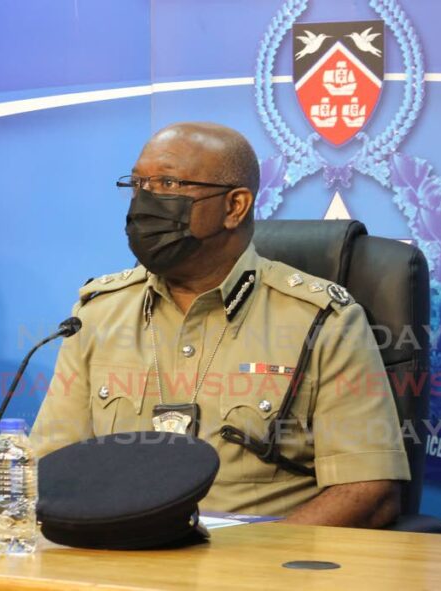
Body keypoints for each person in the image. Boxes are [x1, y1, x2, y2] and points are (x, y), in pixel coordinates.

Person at [30, 122, 409, 527]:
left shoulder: (321, 320)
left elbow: (368, 491)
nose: (145, 202)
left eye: (168, 184)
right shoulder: (97, 314)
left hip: (261, 570)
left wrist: (248, 567)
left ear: (235, 207)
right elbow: (49, 470)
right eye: (138, 184)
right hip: (117, 562)